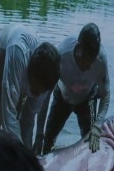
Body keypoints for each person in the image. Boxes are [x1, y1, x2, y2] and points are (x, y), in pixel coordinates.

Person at [0, 23, 60, 155]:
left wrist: (29, 155)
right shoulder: (19, 53)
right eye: (35, 89)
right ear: (31, 74)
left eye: (41, 92)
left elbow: (28, 120)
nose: (38, 94)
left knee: (15, 132)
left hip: (17, 79)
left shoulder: (46, 82)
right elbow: (8, 113)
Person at [41, 23, 110, 154]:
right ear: (78, 48)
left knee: (90, 143)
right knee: (48, 138)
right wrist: (39, 134)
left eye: (92, 62)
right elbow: (46, 93)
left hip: (87, 98)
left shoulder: (101, 60)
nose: (89, 68)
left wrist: (98, 125)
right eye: (85, 61)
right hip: (62, 95)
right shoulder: (61, 54)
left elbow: (105, 94)